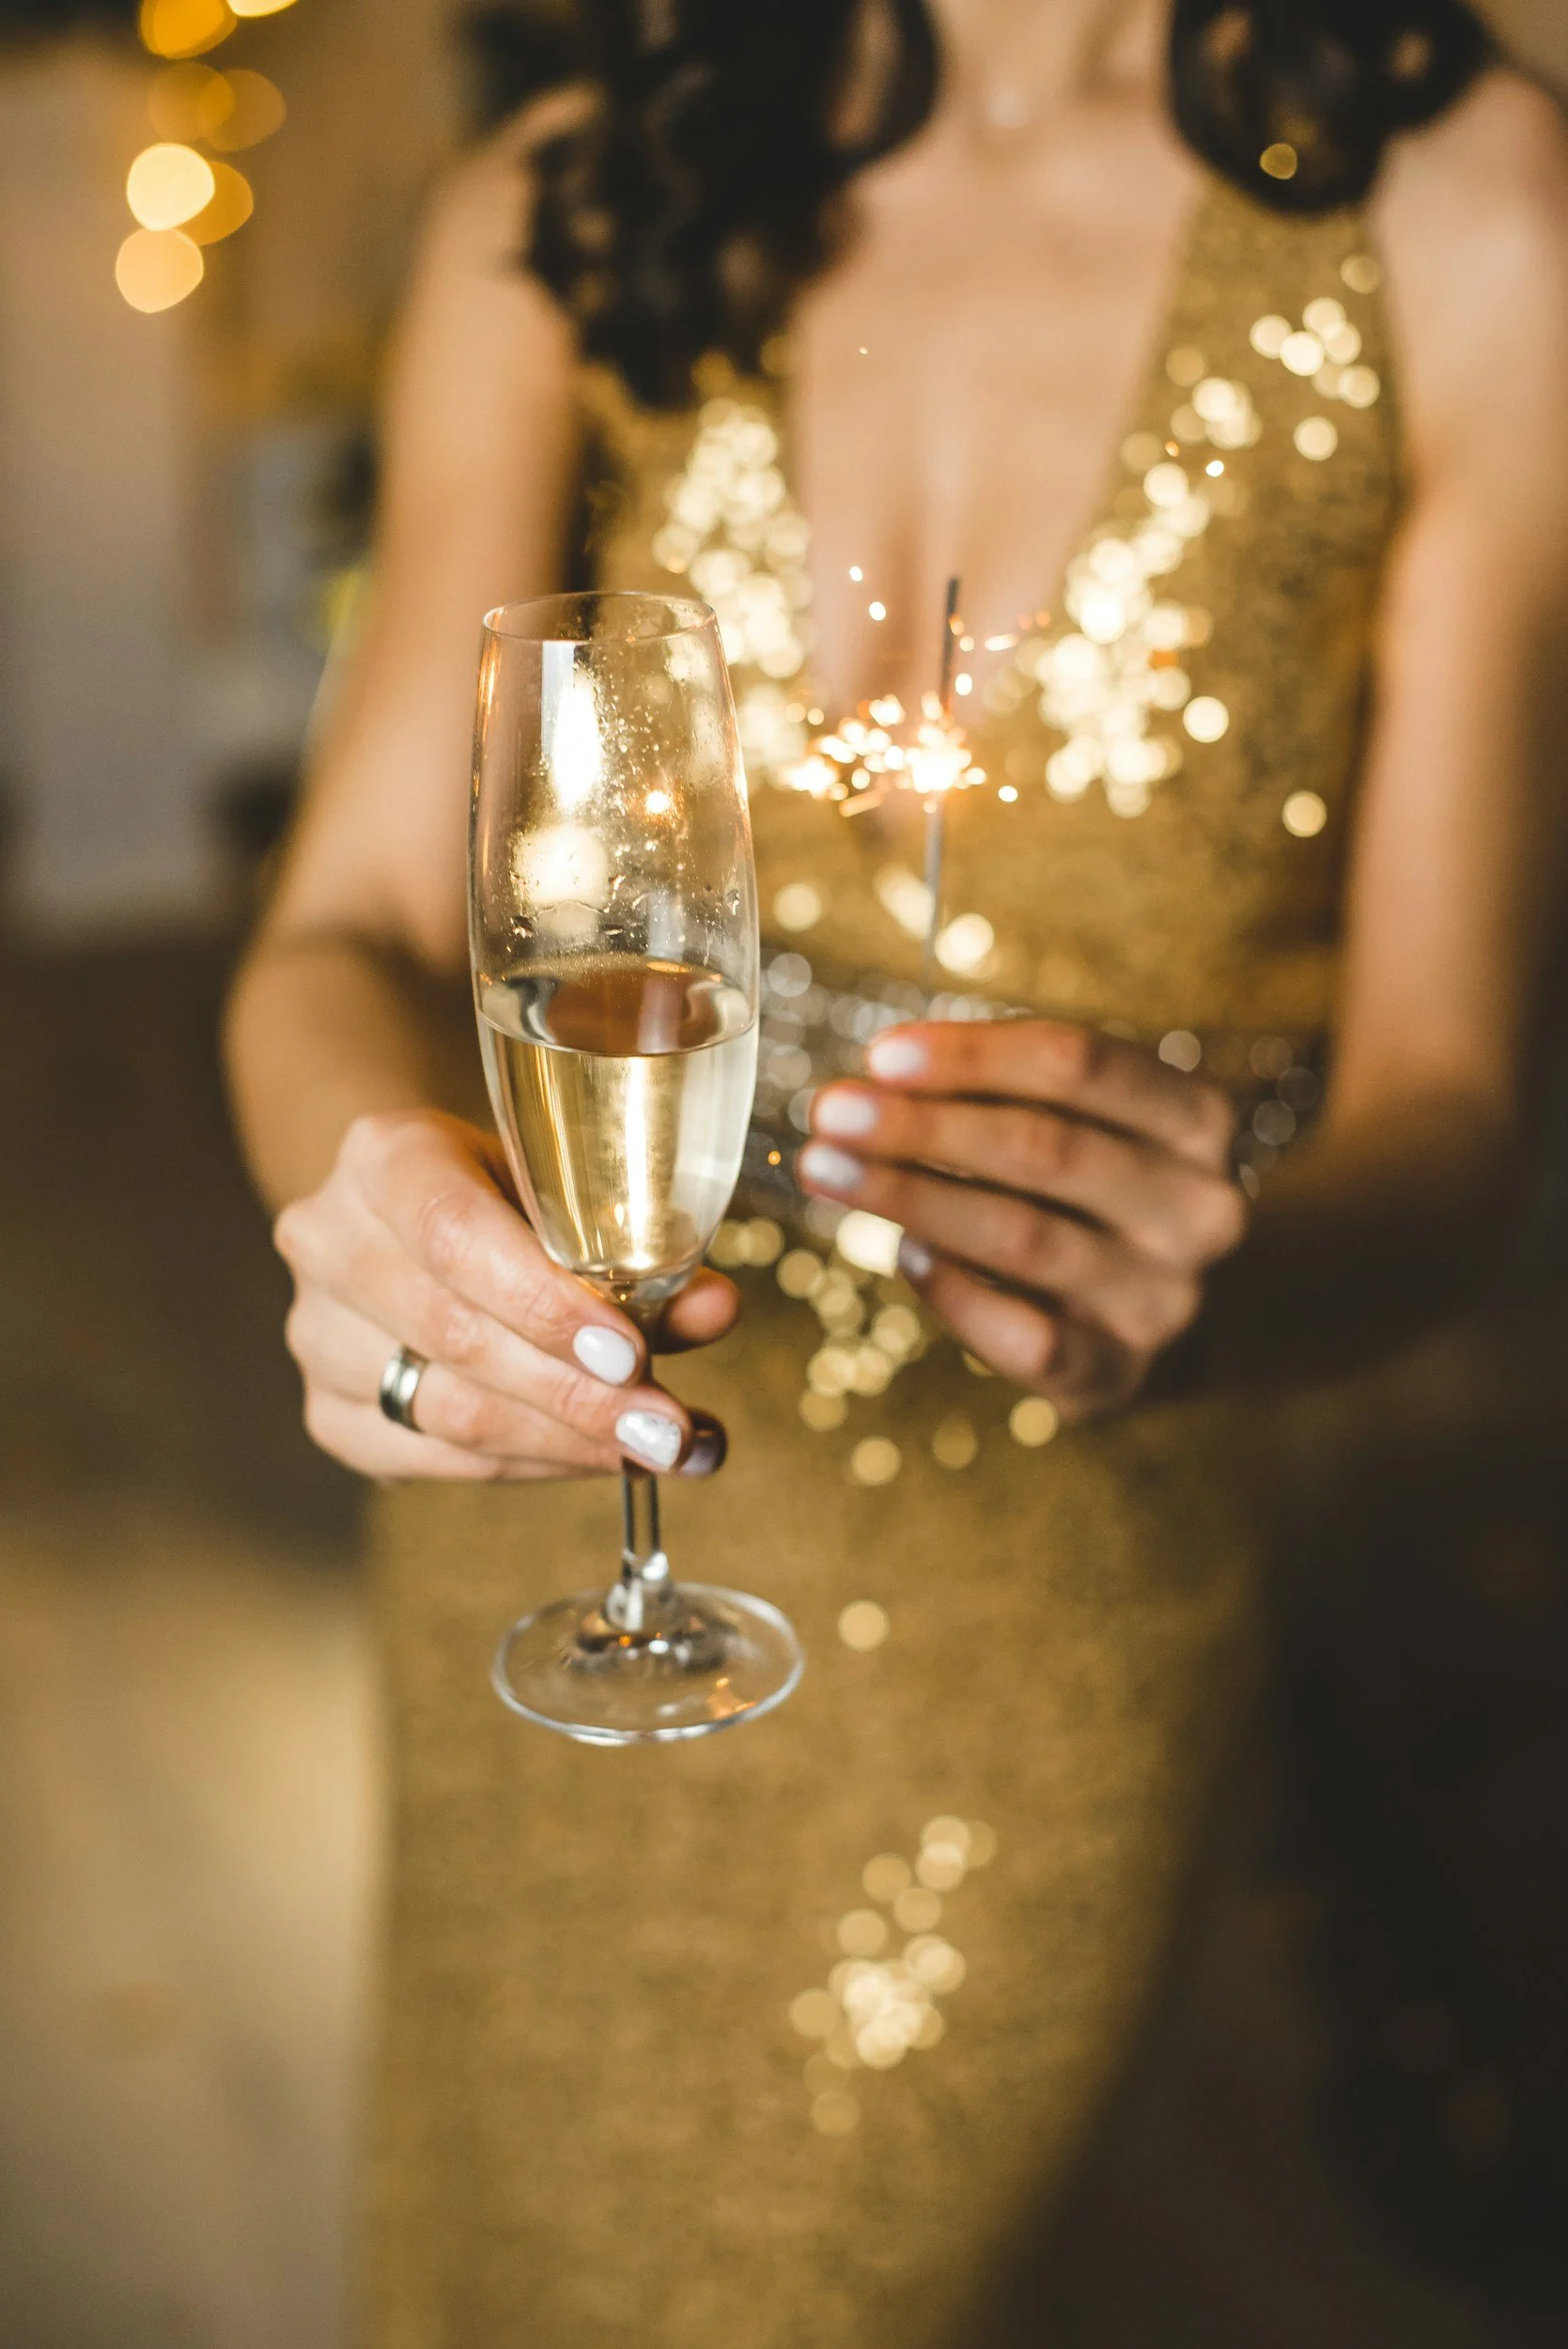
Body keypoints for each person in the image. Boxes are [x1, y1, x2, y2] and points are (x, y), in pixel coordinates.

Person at [225, 2, 1568, 2340]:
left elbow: (1451, 1116)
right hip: (551, 1504)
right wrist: (377, 1209)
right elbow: (339, 931)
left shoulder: (1480, 218)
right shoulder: (573, 193)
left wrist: (1208, 1278)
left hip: (1056, 1586)